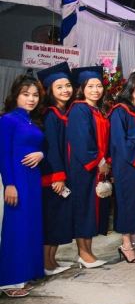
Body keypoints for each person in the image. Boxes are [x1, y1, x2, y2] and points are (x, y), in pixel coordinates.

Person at [0, 75, 45, 297]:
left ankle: (24, 275)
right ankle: (9, 281)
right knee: (16, 227)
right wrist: (9, 184)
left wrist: (41, 154)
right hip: (17, 179)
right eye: (26, 94)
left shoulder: (31, 120)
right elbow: (3, 154)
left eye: (35, 95)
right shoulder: (8, 120)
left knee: (30, 226)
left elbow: (39, 147)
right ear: (16, 95)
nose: (31, 99)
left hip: (33, 179)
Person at [65, 66, 111, 268]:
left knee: (91, 209)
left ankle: (88, 252)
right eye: (90, 86)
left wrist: (106, 161)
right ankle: (83, 253)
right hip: (83, 168)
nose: (95, 90)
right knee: (83, 208)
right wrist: (99, 162)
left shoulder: (97, 110)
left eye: (99, 86)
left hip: (96, 168)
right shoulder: (79, 109)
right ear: (82, 88)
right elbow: (82, 140)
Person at [108, 72, 135, 264]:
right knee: (127, 204)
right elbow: (119, 142)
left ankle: (133, 245)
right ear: (130, 86)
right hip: (126, 165)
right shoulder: (120, 111)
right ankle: (126, 245)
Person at [36, 63, 74, 276]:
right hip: (53, 176)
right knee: (52, 219)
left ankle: (51, 260)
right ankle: (45, 262)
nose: (65, 90)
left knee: (59, 219)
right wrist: (58, 176)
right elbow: (51, 149)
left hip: (63, 175)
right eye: (59, 87)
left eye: (67, 86)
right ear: (50, 90)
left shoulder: (63, 113)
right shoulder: (50, 115)